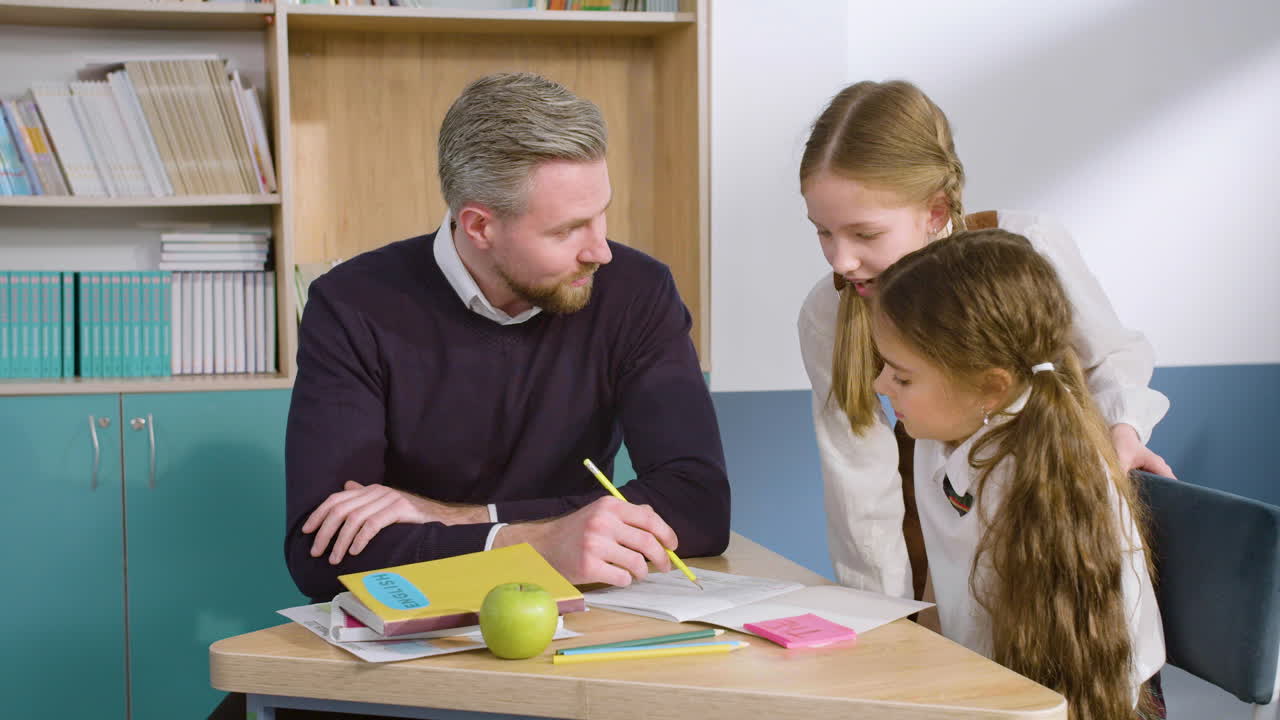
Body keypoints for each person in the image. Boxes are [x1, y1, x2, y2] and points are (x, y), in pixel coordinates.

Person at [284, 71, 730, 603]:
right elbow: (324, 554)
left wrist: (459, 519)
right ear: (479, 226)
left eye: (601, 215)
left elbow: (698, 505)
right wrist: (536, 542)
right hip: (411, 626)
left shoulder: (637, 290)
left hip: (585, 616)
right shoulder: (352, 304)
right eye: (567, 230)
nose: (600, 251)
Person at [796, 80, 1173, 601]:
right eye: (823, 232)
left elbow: (1112, 357)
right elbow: (859, 492)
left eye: (865, 234)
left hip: (1056, 531)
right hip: (935, 551)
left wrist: (1123, 426)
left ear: (935, 211)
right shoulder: (829, 312)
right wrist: (885, 616)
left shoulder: (1027, 249)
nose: (841, 261)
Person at [869, 228, 1166, 720]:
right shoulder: (937, 433)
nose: (882, 385)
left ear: (990, 388)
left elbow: (1075, 685)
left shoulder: (1037, 479)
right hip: (989, 688)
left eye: (901, 376)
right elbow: (944, 585)